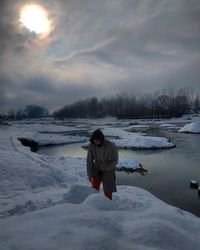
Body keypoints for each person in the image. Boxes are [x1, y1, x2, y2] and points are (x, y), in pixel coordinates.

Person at [87, 129, 118, 200]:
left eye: (97, 141)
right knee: (94, 187)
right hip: (97, 168)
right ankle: (92, 202)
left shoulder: (111, 145)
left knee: (108, 189)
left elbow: (114, 161)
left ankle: (108, 203)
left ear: (101, 139)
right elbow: (89, 160)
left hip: (108, 169)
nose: (96, 142)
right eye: (94, 141)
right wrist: (90, 174)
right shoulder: (92, 145)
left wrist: (104, 169)